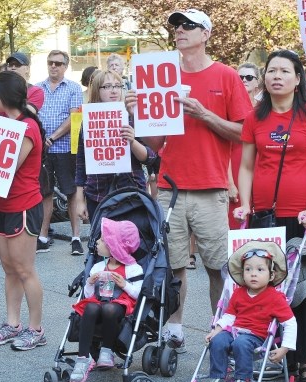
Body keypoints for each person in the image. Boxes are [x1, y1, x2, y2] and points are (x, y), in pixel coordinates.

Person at [126, 9, 253, 352]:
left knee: (219, 267)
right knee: (175, 266)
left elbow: (244, 132)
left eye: (188, 26)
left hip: (211, 187)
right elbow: (154, 145)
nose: (179, 31)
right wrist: (139, 115)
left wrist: (204, 114)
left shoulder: (226, 76)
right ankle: (175, 328)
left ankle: (221, 328)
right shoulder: (161, 76)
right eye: (176, 26)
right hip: (170, 186)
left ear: (206, 33)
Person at [234, 50, 306, 382]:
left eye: (284, 71)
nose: (277, 76)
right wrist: (244, 204)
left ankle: (305, 361)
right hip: (264, 218)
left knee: (303, 290)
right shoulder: (254, 117)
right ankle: (273, 354)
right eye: (271, 70)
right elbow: (246, 166)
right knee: (266, 288)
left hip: (302, 218)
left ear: (297, 79)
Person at [0, 71, 46, 351]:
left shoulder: (27, 126)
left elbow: (7, 165)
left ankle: (35, 329)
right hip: (1, 203)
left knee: (24, 269)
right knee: (9, 268)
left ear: (3, 96)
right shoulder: (0, 124)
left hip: (23, 203)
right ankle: (12, 323)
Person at [205, 241, 296, 382]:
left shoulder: (275, 297)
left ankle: (243, 380)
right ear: (242, 274)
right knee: (218, 341)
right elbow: (229, 316)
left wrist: (285, 347)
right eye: (248, 269)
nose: (253, 273)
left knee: (241, 342)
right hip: (234, 332)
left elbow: (290, 323)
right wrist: (217, 330)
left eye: (260, 269)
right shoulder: (239, 293)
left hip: (256, 337)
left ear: (271, 275)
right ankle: (217, 379)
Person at [69, 218, 143, 382]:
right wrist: (89, 282)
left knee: (110, 308)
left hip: (119, 306)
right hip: (98, 302)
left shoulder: (133, 269)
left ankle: (107, 350)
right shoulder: (98, 267)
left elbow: (139, 294)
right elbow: (87, 295)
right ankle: (83, 358)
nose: (97, 242)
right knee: (90, 308)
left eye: (102, 240)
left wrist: (124, 284)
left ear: (114, 246)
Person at [74, 70, 156, 220]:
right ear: (97, 91)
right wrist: (80, 200)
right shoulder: (87, 121)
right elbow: (81, 163)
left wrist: (132, 142)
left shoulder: (132, 116)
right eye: (107, 86)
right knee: (101, 242)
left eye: (118, 86)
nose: (114, 90)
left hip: (131, 193)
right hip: (97, 194)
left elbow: (150, 157)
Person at [36, 50, 84, 255]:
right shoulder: (37, 88)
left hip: (65, 147)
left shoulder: (74, 88)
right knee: (45, 192)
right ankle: (43, 236)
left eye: (58, 63)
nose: (53, 66)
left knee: (70, 192)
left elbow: (74, 118)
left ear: (65, 66)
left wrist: (53, 137)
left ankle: (76, 237)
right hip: (42, 150)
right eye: (50, 63)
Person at [228, 62, 261, 230]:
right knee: (237, 224)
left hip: (261, 172)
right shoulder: (228, 109)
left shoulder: (264, 110)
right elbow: (223, 147)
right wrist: (230, 183)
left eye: (249, 77)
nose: (244, 80)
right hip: (235, 170)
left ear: (258, 82)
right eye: (239, 77)